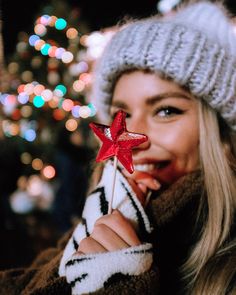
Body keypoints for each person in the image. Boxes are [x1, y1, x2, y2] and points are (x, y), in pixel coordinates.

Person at [0, 1, 236, 294]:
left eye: (166, 111)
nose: (134, 135)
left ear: (219, 130)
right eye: (120, 114)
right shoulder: (92, 219)